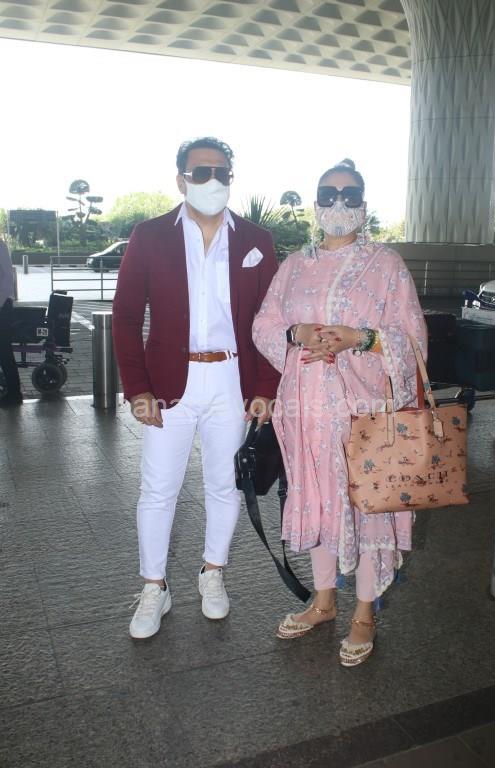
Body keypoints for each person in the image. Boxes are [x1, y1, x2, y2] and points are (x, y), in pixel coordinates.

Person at [253, 159, 427, 667]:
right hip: (307, 413)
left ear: (364, 206)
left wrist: (358, 338)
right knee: (318, 501)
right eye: (329, 193)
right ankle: (324, 600)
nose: (338, 203)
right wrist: (297, 333)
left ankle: (364, 613)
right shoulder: (294, 265)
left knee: (366, 506)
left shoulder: (386, 265)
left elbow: (413, 339)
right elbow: (264, 324)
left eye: (350, 195)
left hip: (364, 415)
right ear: (315, 204)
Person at [113, 136, 280, 639]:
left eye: (221, 172)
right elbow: (126, 317)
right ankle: (154, 587)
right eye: (201, 172)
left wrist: (266, 386)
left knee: (224, 485)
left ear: (232, 178)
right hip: (169, 382)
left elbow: (270, 321)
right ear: (181, 180)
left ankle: (213, 573)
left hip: (231, 379)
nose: (212, 180)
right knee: (157, 488)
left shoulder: (256, 240)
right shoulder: (149, 236)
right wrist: (137, 387)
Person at [0, 237, 22, 408]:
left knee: (4, 351)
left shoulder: (0, 246)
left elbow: (8, 280)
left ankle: (15, 393)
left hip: (2, 307)